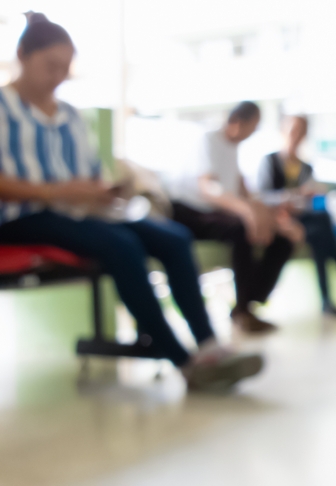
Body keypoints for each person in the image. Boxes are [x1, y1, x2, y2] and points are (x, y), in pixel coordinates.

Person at [0, 13, 262, 390]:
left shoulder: (72, 117)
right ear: (22, 54)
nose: (58, 76)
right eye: (50, 66)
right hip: (24, 215)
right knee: (122, 246)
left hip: (81, 212)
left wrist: (106, 191)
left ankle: (208, 345)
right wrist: (54, 192)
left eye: (65, 68)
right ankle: (184, 362)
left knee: (173, 237)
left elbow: (88, 178)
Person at [171, 102, 298, 334]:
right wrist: (247, 212)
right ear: (239, 121)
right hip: (191, 211)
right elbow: (208, 188)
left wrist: (271, 218)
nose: (254, 132)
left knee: (283, 239)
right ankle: (242, 311)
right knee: (242, 228)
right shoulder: (208, 140)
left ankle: (250, 301)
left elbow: (243, 191)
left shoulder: (234, 148)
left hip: (221, 212)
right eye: (254, 125)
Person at [257, 115, 336, 317]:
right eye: (292, 130)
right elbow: (262, 197)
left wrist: (306, 198)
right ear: (283, 131)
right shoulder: (269, 161)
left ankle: (329, 299)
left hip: (301, 217)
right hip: (279, 220)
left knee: (321, 227)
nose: (296, 136)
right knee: (322, 233)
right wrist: (294, 195)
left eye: (301, 131)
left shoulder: (306, 167)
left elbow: (307, 203)